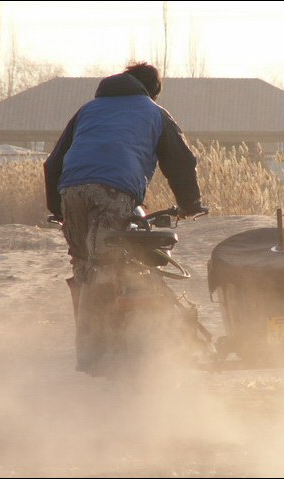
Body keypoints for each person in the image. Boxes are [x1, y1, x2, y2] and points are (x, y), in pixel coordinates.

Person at [43, 61, 205, 372]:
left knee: (84, 265)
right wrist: (190, 204)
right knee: (107, 262)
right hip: (113, 191)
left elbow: (52, 165)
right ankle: (102, 353)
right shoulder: (154, 112)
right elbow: (182, 161)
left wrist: (57, 210)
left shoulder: (87, 111)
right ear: (151, 91)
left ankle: (93, 349)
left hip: (71, 191)